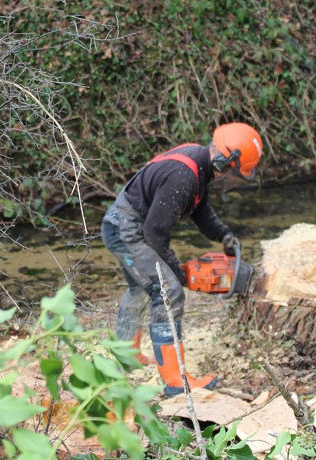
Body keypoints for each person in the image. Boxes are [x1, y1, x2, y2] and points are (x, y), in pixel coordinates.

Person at [101, 122, 263, 396]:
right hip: (127, 230)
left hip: (125, 224)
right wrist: (174, 270)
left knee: (140, 288)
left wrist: (222, 233)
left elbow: (199, 208)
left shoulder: (198, 163)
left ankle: (125, 354)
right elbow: (155, 231)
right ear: (226, 160)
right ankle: (176, 382)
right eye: (234, 172)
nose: (230, 177)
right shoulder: (184, 175)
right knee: (168, 292)